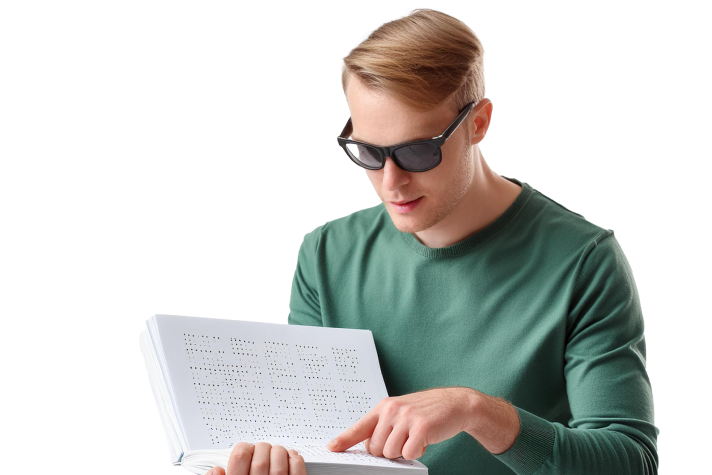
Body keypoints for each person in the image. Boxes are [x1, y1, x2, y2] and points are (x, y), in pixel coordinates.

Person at [208, 7, 658, 475]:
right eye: (367, 152)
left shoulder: (584, 262)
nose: (391, 182)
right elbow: (317, 443)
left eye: (417, 151)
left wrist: (478, 412)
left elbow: (631, 463)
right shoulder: (326, 253)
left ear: (479, 123)